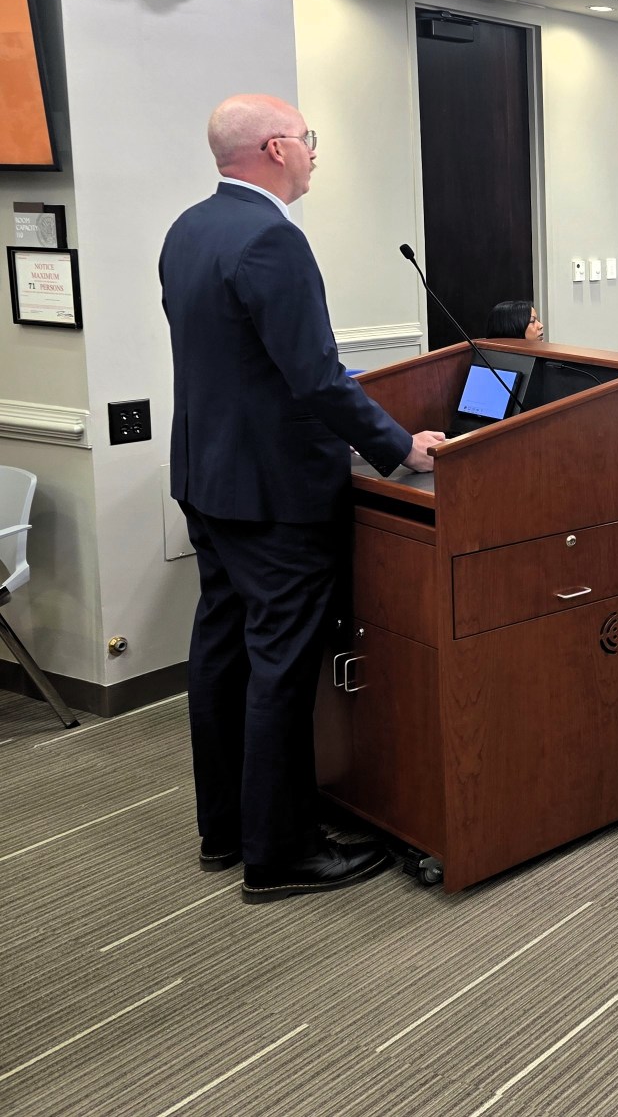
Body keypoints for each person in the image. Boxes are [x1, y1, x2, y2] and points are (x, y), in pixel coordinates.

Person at [160, 94, 445, 903]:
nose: (316, 154)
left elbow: (234, 365)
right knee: (280, 666)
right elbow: (315, 377)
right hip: (274, 493)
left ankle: (226, 830)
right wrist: (400, 446)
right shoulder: (271, 240)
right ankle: (280, 853)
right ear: (278, 149)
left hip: (209, 481)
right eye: (310, 141)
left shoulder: (190, 230)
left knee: (221, 656)